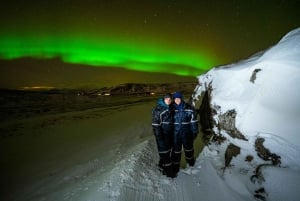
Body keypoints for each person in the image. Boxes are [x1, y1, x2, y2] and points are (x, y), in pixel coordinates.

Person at [171, 92, 199, 175]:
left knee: (189, 149)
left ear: (181, 99)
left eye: (178, 98)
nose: (177, 100)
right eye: (175, 99)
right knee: (176, 151)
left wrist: (194, 132)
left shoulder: (189, 108)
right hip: (175, 134)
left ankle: (191, 163)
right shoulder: (171, 109)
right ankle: (175, 166)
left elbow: (193, 121)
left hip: (187, 133)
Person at [152, 93, 174, 178]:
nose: (168, 100)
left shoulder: (169, 108)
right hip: (162, 136)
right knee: (165, 154)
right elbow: (156, 126)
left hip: (169, 135)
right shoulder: (158, 110)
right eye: (167, 99)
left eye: (170, 99)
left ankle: (161, 166)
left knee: (167, 152)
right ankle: (169, 173)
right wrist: (160, 138)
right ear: (164, 99)